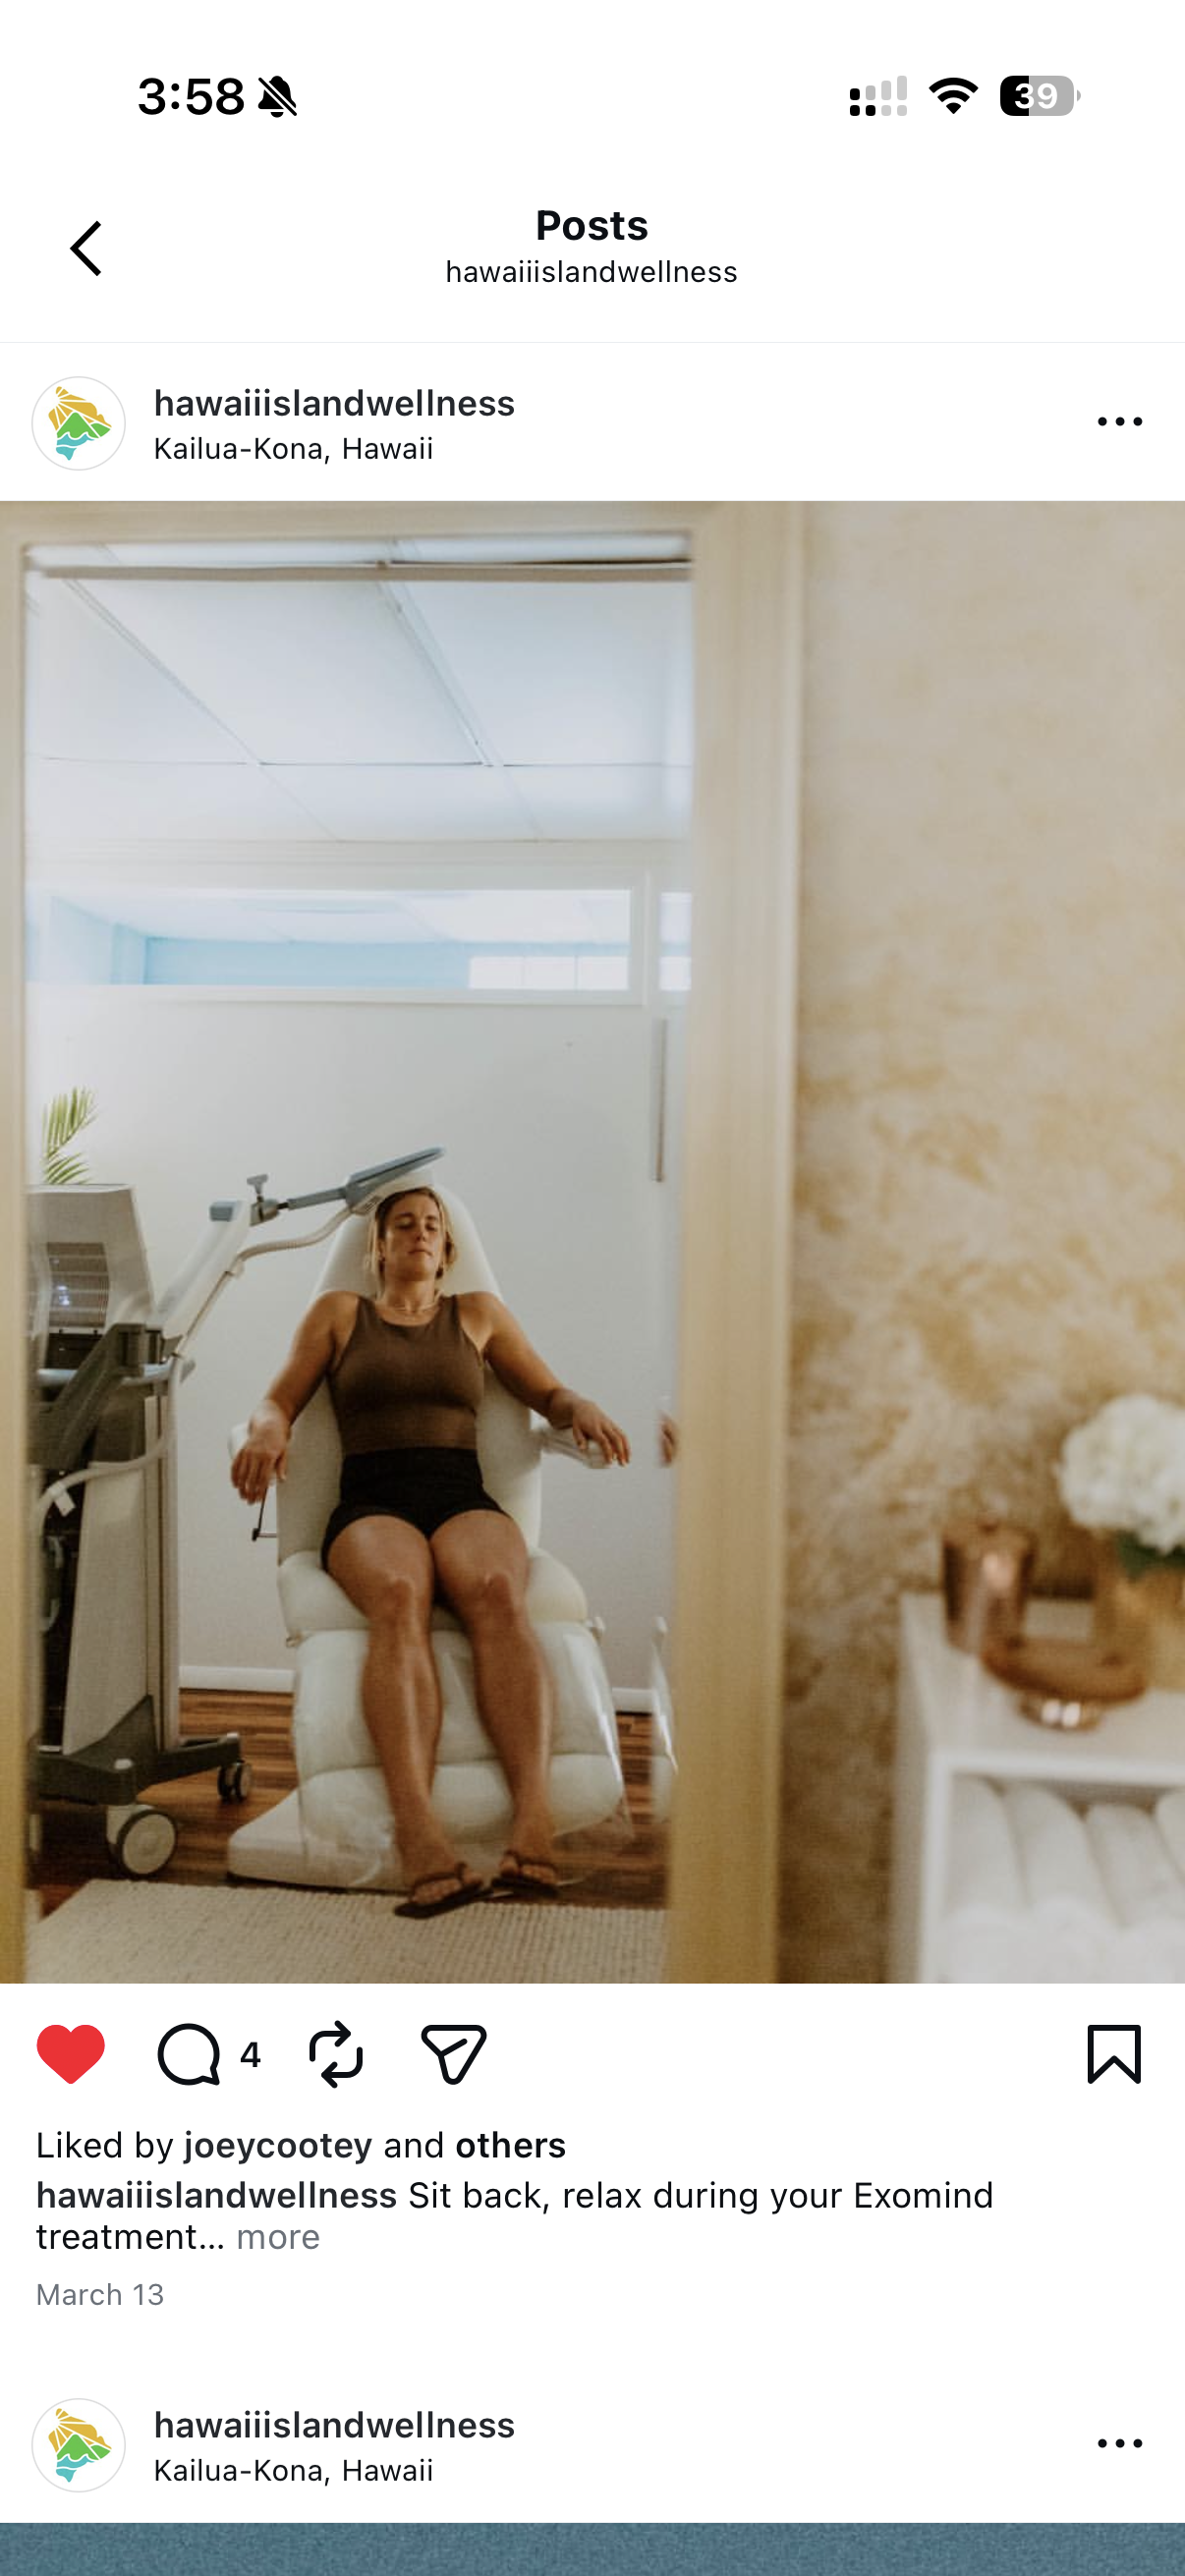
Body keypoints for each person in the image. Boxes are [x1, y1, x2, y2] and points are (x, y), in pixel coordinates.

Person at [231, 1186, 629, 1917]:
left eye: (432, 1226)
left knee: (500, 1596)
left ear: (448, 1251)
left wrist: (582, 1408)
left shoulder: (477, 1314)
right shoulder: (338, 1314)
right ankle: (418, 1833)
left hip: (461, 1495)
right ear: (376, 1248)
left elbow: (548, 1393)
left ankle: (532, 1821)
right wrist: (264, 1428)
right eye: (402, 1225)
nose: (418, 1233)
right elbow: (277, 1400)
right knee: (396, 1597)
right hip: (372, 1501)